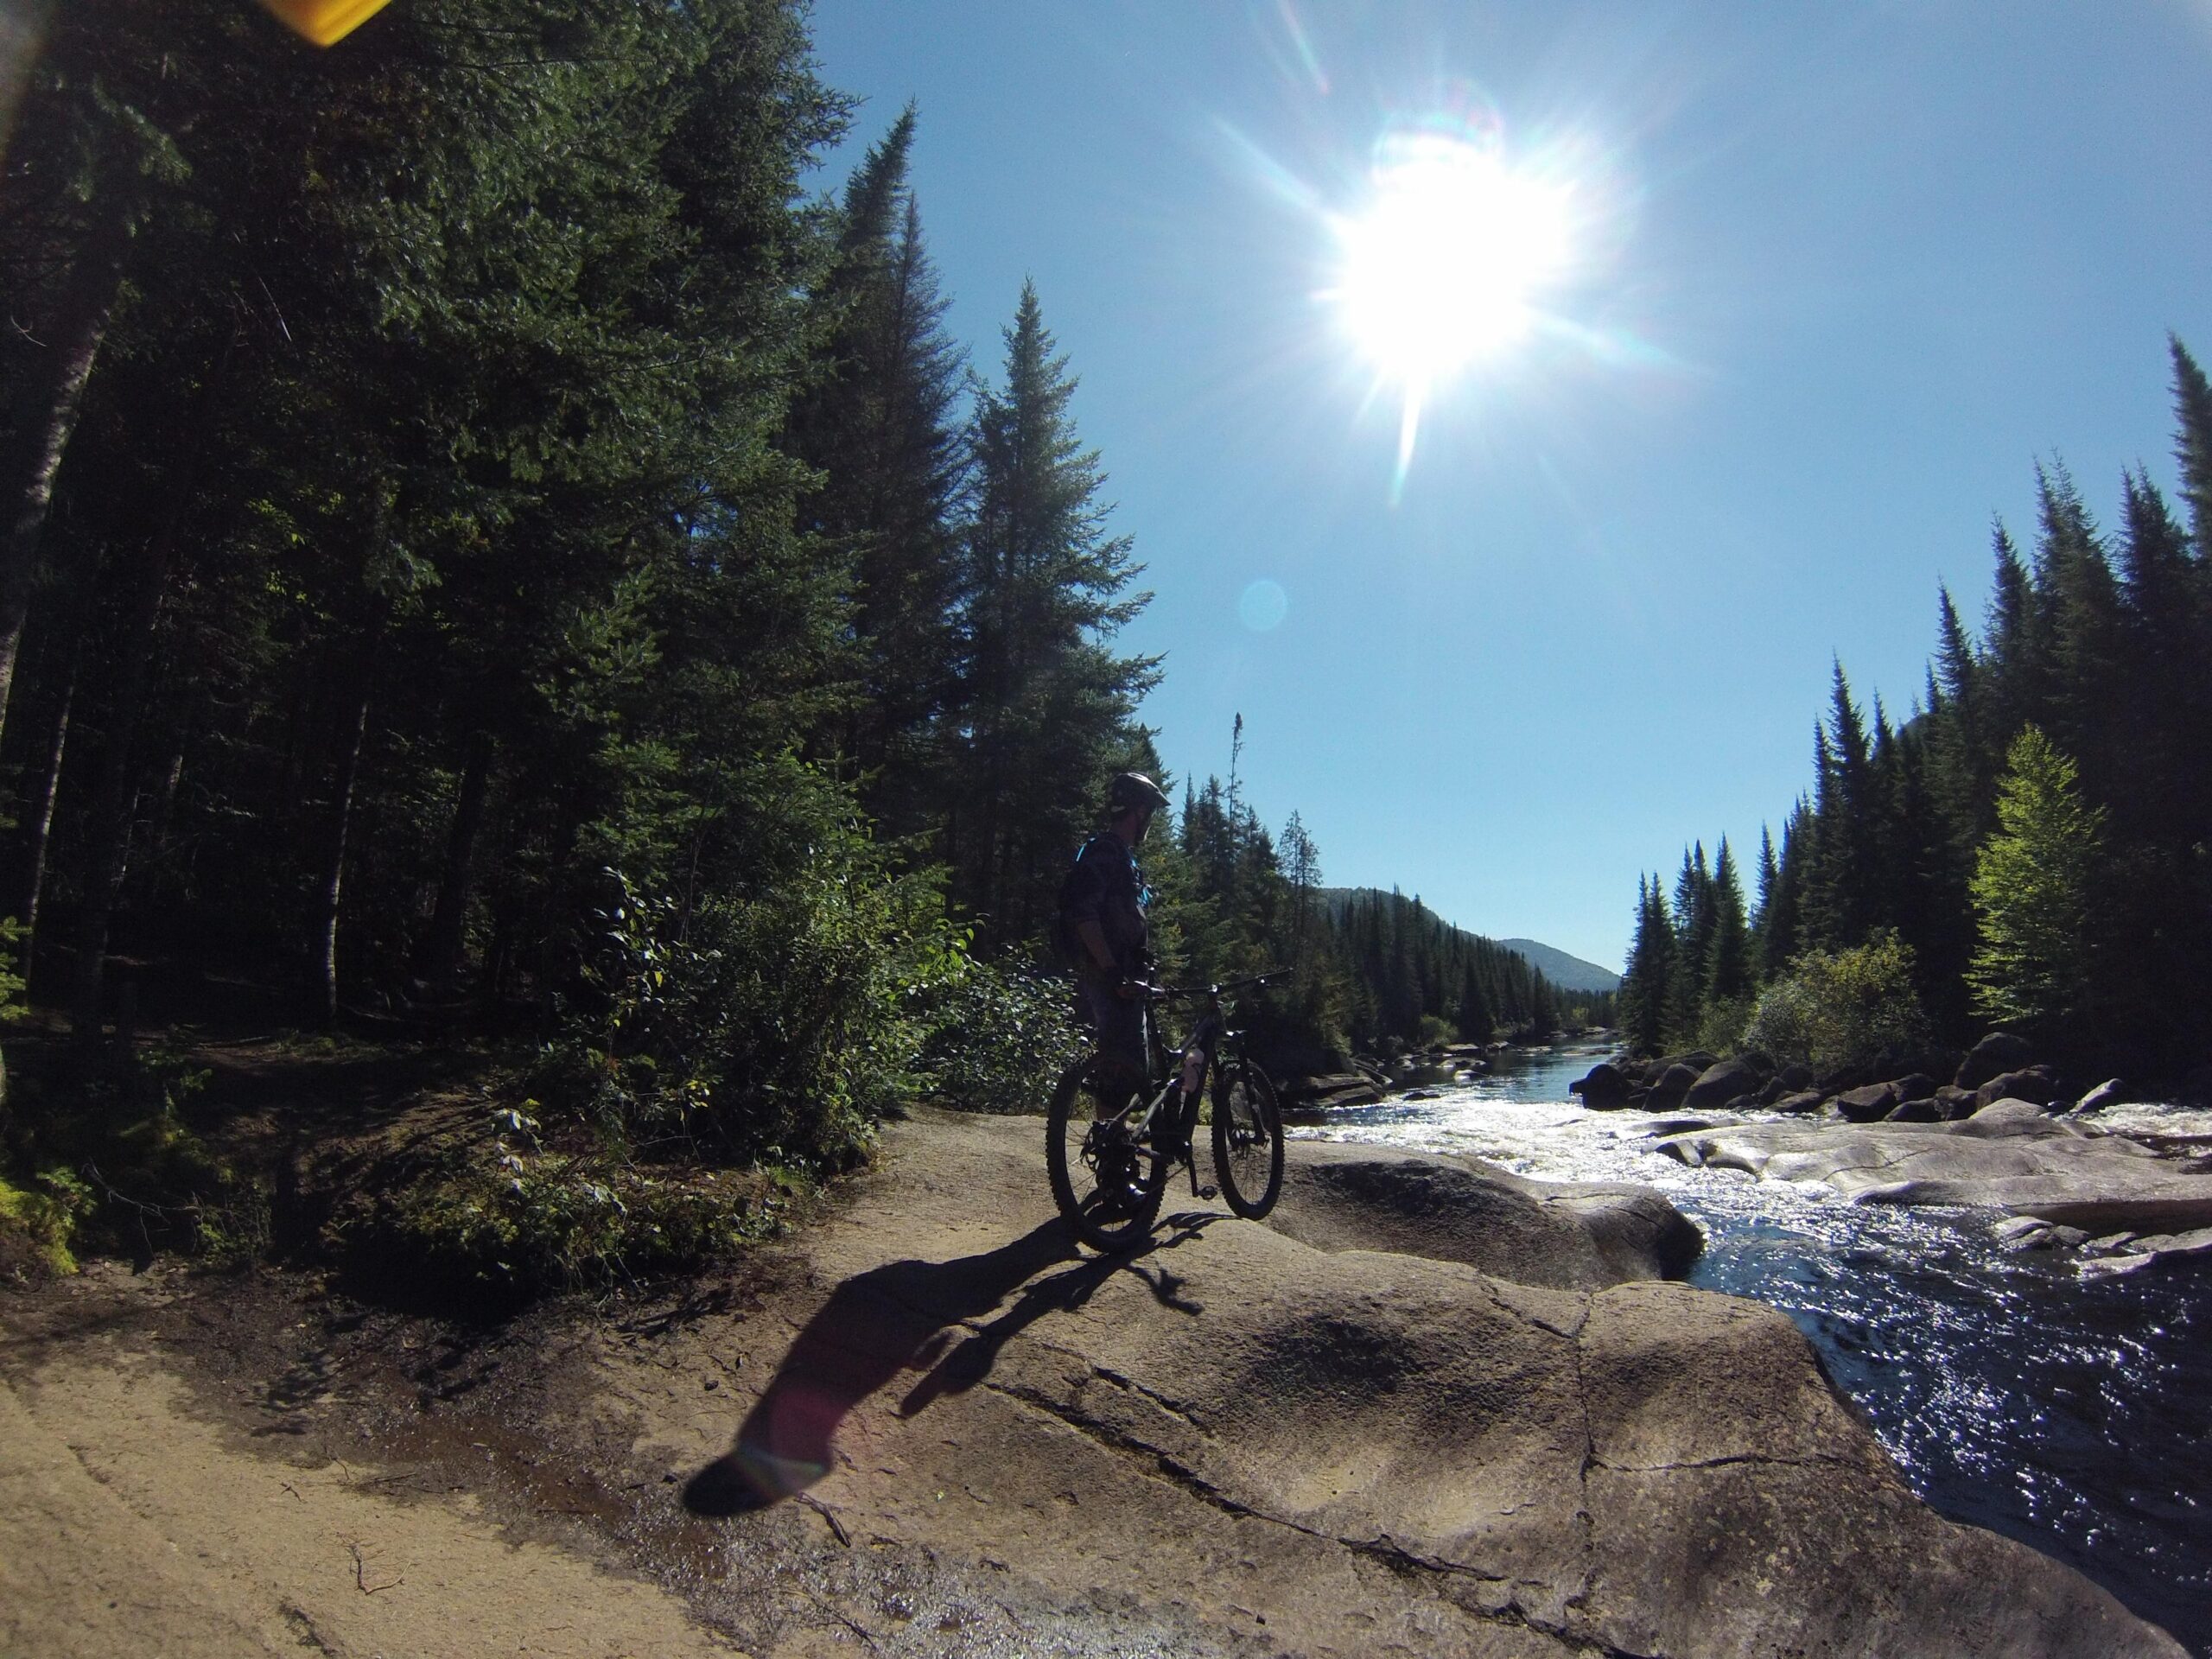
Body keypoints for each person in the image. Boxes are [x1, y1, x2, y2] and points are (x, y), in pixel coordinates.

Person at [1063, 772, 1170, 1104]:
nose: (1149, 821)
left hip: (1126, 975)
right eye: (1149, 812)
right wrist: (1110, 970)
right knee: (1120, 1067)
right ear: (1139, 812)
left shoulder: (1123, 857)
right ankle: (1111, 1149)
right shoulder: (1105, 853)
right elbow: (1084, 915)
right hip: (1113, 976)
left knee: (1128, 1066)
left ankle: (1116, 1143)